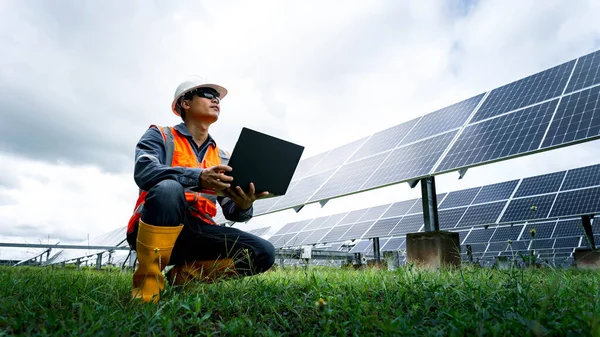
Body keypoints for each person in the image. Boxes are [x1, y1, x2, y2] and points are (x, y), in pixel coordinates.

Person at [126, 77, 275, 303]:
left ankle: (184, 277)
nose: (216, 99)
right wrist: (198, 177)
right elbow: (144, 172)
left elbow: (232, 211)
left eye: (217, 97)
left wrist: (244, 205)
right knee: (168, 189)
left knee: (263, 252)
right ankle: (148, 289)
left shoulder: (223, 157)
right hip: (157, 223)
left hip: (199, 231)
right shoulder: (161, 135)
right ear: (185, 103)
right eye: (207, 94)